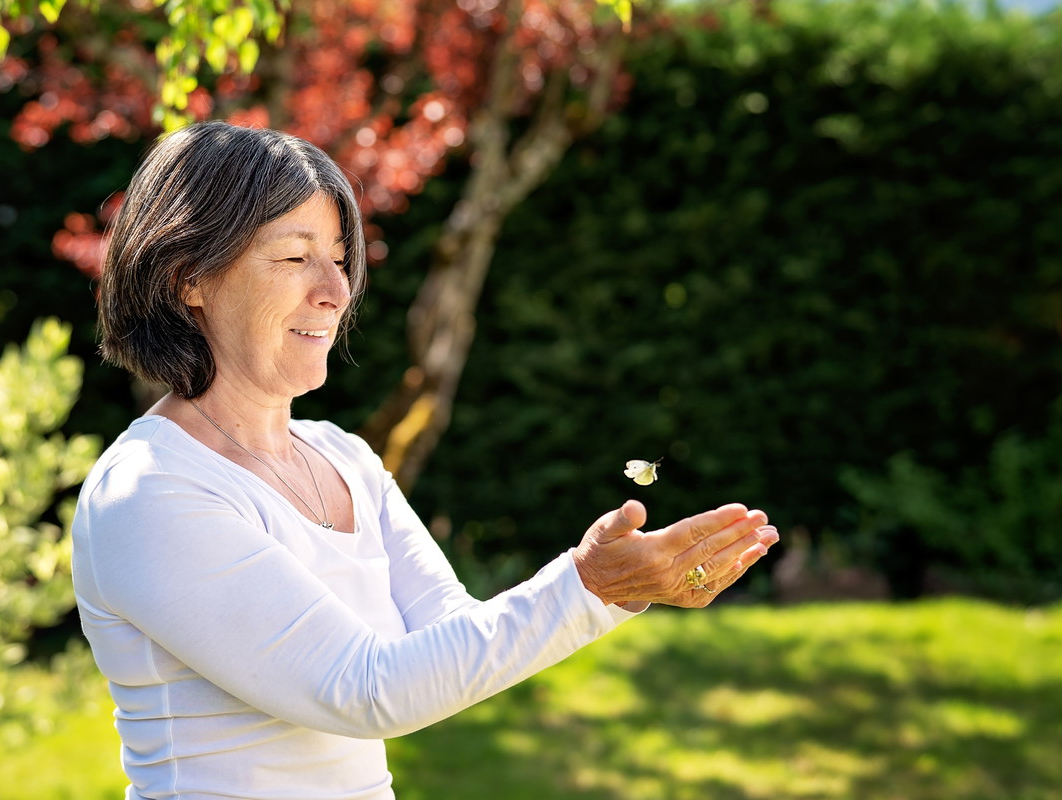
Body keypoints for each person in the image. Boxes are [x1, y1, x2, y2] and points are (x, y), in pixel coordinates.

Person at [71, 120, 779, 800]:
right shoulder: (149, 492)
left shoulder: (344, 458)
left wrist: (619, 586)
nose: (337, 290)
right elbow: (364, 689)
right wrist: (588, 587)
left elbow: (447, 649)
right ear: (186, 277)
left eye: (341, 260)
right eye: (294, 257)